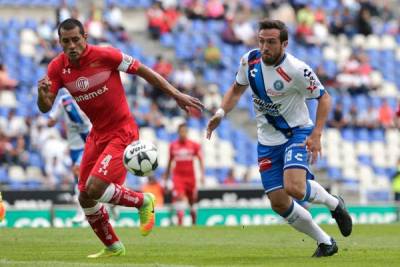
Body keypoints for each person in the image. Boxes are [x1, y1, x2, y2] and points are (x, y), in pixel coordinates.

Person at [37, 18, 203, 258]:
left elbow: (145, 72)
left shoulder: (106, 55)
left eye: (76, 39)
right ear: (60, 42)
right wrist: (41, 96)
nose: (72, 45)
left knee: (94, 188)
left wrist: (176, 94)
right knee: (83, 195)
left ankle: (143, 201)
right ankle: (113, 246)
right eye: (66, 41)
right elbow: (45, 106)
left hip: (122, 131)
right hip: (97, 134)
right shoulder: (57, 68)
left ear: (85, 37)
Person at [206, 19, 352, 257]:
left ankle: (334, 204)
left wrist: (317, 134)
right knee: (279, 203)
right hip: (267, 141)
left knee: (293, 187)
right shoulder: (249, 60)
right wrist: (221, 113)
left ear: (284, 44)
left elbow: (324, 98)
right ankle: (326, 242)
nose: (265, 47)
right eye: (261, 41)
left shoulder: (297, 69)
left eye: (271, 42)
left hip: (297, 132)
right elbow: (235, 89)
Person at [47, 90, 92, 223]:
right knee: (80, 180)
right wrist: (51, 120)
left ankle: (82, 211)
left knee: (77, 171)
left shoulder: (89, 97)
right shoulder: (64, 101)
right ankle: (103, 207)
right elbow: (51, 120)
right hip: (74, 147)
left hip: (89, 142)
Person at [163, 122, 205, 226]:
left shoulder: (194, 145)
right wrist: (167, 176)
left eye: (185, 131)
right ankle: (180, 222)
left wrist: (202, 175)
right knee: (179, 198)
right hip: (178, 177)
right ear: (178, 132)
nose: (183, 133)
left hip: (191, 177)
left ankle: (193, 220)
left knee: (192, 202)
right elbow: (170, 162)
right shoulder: (173, 146)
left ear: (187, 132)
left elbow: (200, 160)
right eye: (181, 131)